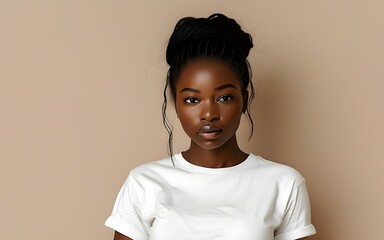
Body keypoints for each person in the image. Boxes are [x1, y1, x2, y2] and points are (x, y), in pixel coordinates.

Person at [105, 13, 316, 240]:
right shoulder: (144, 182)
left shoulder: (283, 183)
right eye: (192, 100)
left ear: (244, 100)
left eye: (224, 98)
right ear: (176, 103)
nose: (209, 114)